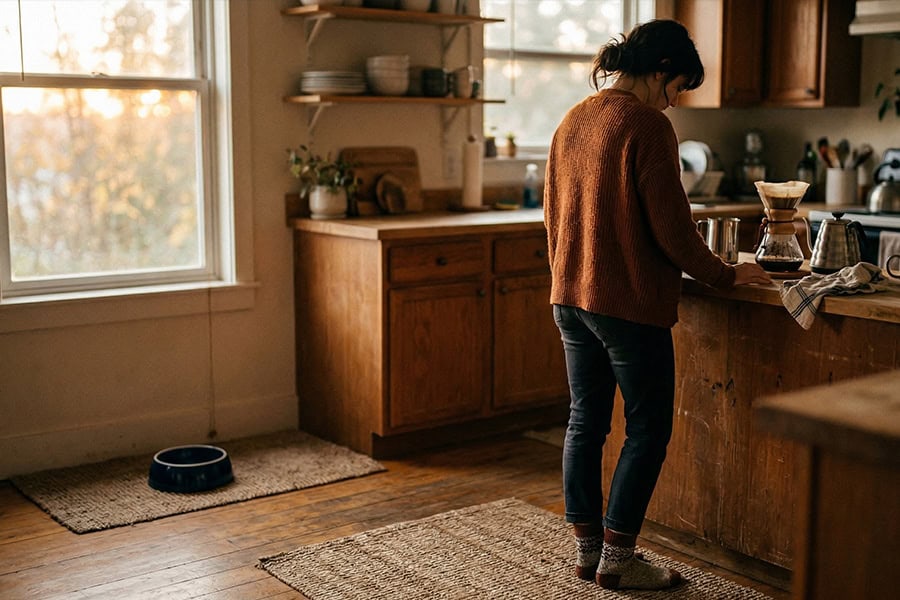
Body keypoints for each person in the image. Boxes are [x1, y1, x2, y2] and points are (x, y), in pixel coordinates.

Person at [543, 19, 772, 591]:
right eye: (676, 90)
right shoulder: (645, 125)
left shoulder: (573, 119)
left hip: (570, 296)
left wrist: (568, 276)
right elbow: (673, 229)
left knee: (584, 423)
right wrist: (725, 274)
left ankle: (588, 552)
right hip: (625, 306)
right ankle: (619, 560)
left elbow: (552, 213)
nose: (673, 104)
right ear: (660, 72)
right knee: (647, 428)